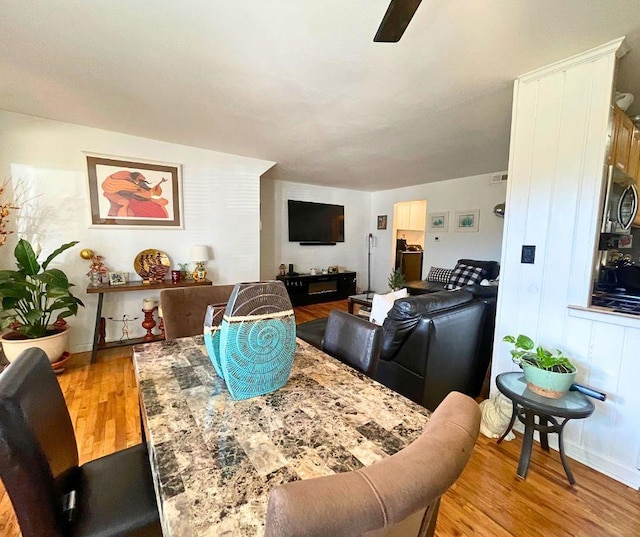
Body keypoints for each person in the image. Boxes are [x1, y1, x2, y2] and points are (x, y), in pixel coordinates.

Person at [101, 170, 169, 218]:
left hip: (138, 201)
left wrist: (159, 184)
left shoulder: (137, 185)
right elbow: (108, 193)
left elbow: (147, 192)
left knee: (154, 208)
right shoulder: (118, 186)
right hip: (132, 204)